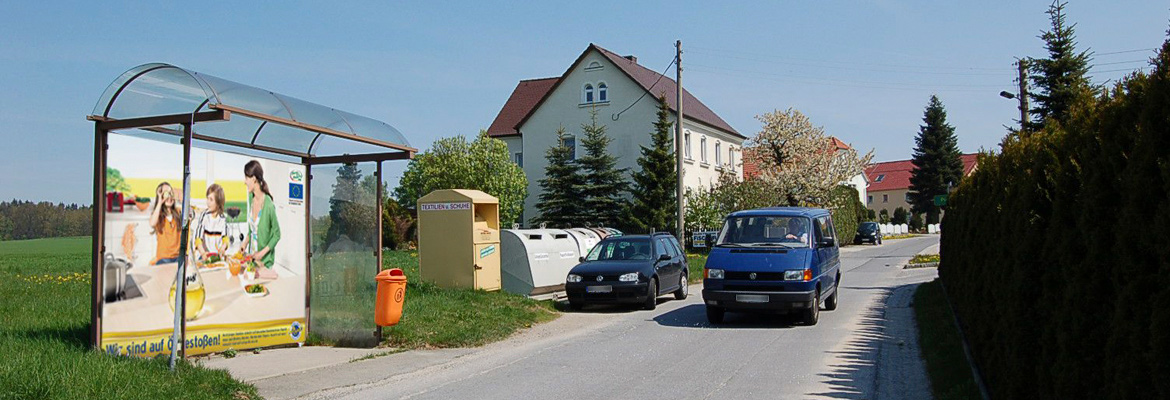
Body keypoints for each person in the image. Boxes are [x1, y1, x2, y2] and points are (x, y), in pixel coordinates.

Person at [244, 160, 280, 278]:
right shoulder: (251, 197)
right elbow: (252, 229)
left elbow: (277, 234)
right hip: (252, 260)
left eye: (246, 178)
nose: (245, 182)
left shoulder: (268, 205)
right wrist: (244, 244)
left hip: (264, 264)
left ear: (254, 179)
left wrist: (261, 254)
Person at [149, 182, 181, 265]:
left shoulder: (178, 212)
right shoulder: (158, 214)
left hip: (178, 257)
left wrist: (181, 198)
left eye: (171, 193)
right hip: (163, 258)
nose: (169, 197)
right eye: (166, 193)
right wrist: (160, 202)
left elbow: (191, 213)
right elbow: (152, 223)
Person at [194, 184, 227, 263]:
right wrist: (202, 253)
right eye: (207, 198)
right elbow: (198, 238)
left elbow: (225, 239)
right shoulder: (204, 216)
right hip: (204, 256)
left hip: (216, 257)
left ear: (218, 203)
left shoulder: (222, 219)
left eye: (211, 200)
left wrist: (222, 248)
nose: (208, 202)